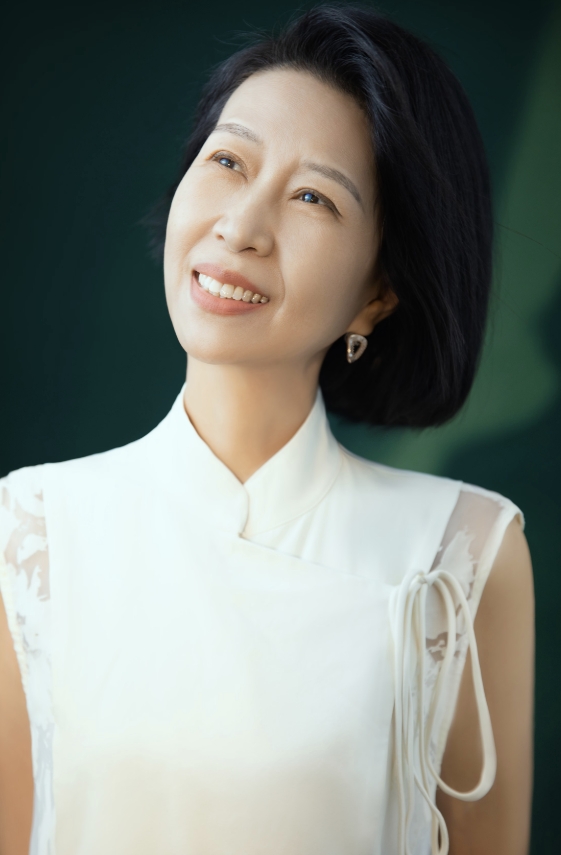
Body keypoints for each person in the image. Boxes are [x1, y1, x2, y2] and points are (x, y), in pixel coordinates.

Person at [0, 5, 534, 854]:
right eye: (228, 161)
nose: (240, 227)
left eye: (312, 197)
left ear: (377, 295)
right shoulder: (32, 529)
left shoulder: (459, 550)